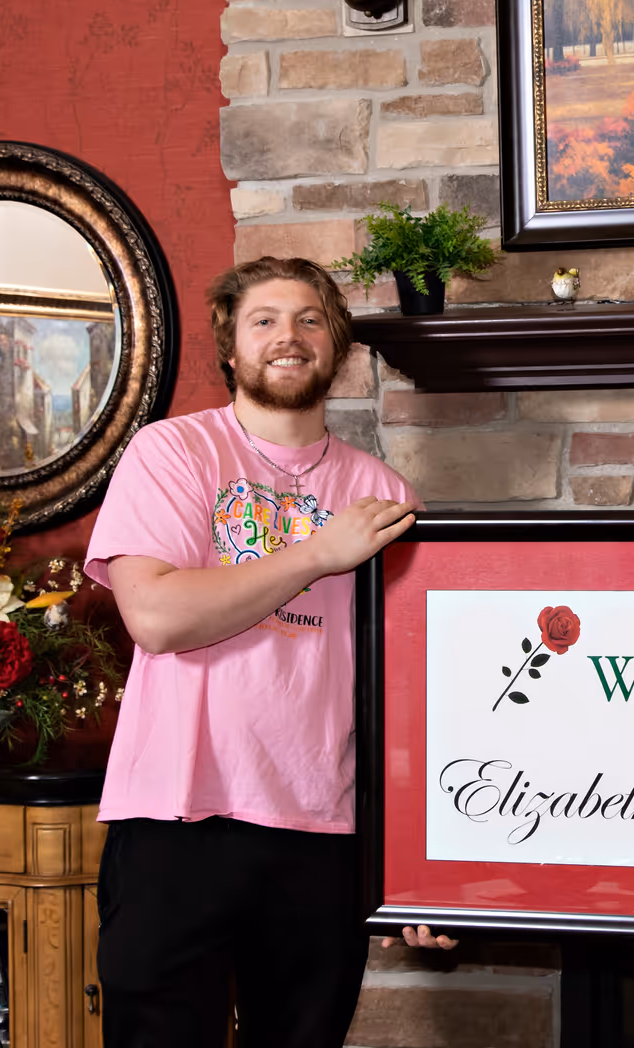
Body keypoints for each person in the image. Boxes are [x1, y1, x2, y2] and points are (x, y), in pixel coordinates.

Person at [84, 254, 447, 1048]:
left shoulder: (388, 500)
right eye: (265, 320)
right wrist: (318, 553)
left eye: (311, 320)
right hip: (178, 819)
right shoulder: (172, 455)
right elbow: (156, 616)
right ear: (230, 347)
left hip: (323, 836)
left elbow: (414, 700)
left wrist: (425, 867)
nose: (290, 336)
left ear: (337, 346)